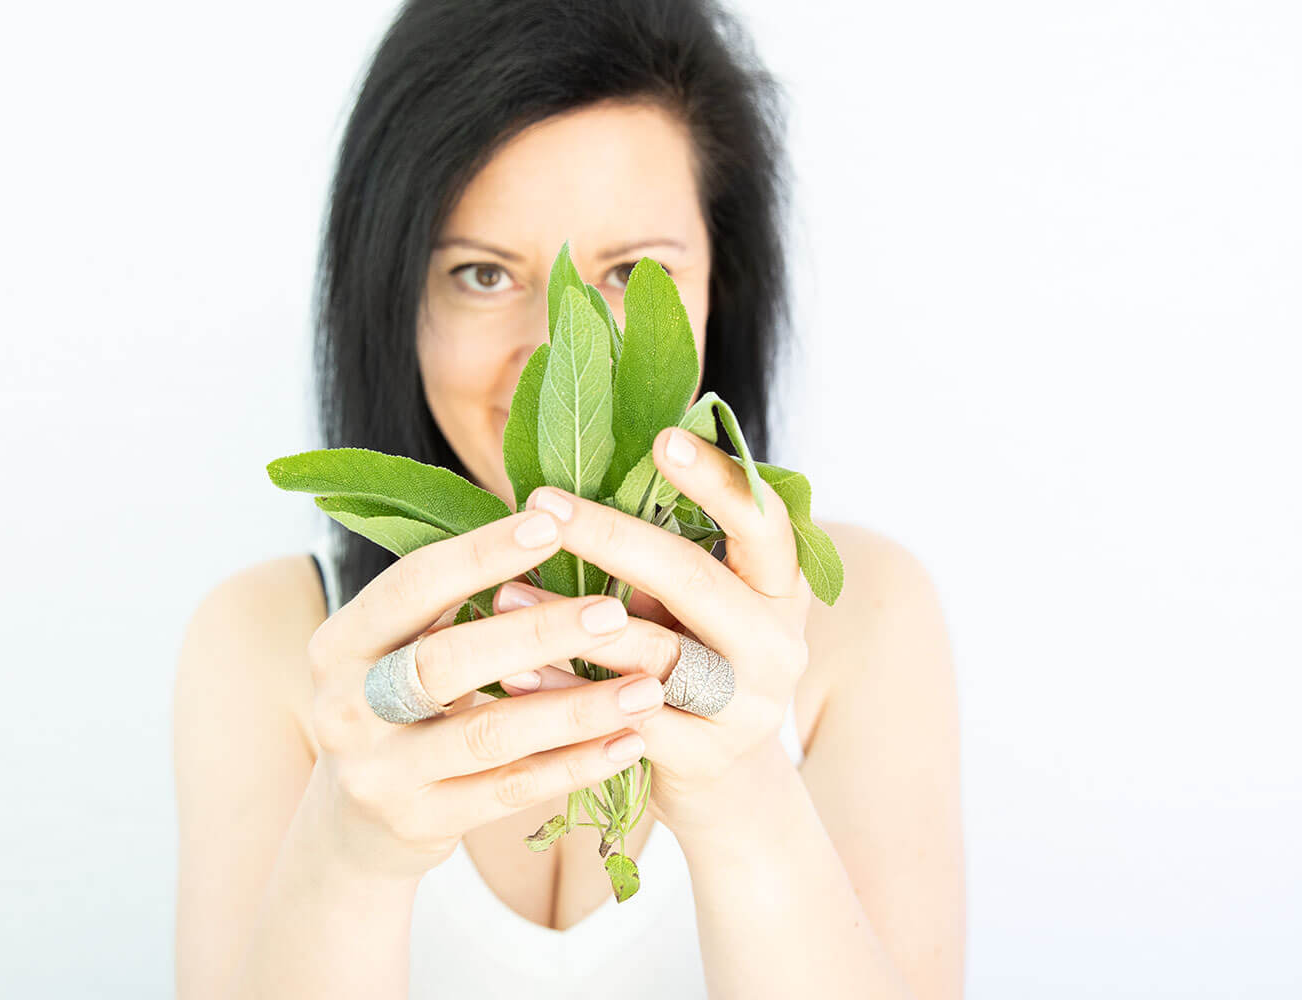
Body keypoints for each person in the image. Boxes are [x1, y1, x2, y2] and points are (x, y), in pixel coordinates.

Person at [172, 1, 964, 996]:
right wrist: (354, 848)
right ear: (394, 299)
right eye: (482, 272)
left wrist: (741, 791)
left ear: (725, 286)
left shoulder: (865, 614)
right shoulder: (265, 641)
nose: (556, 354)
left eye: (632, 271)